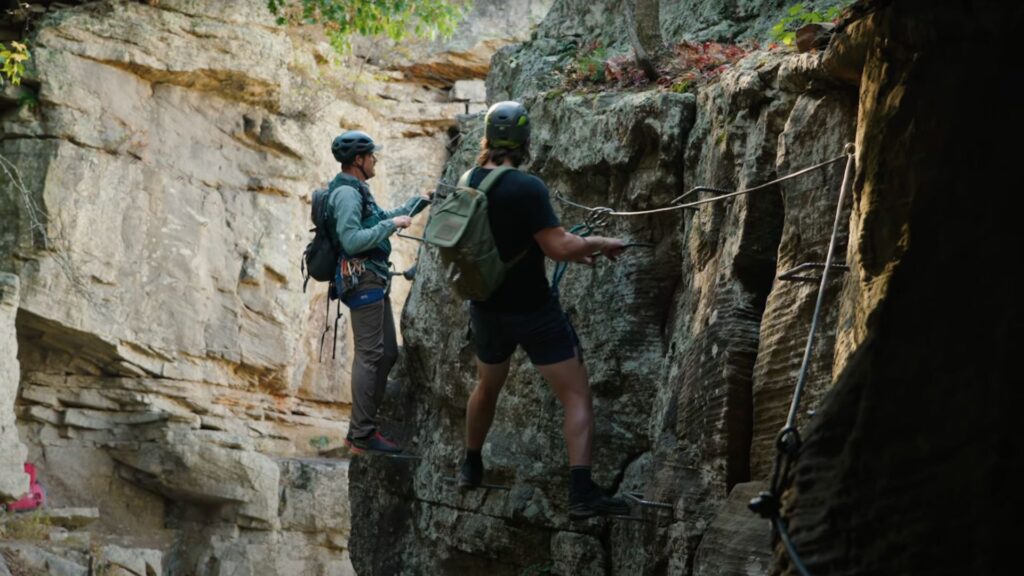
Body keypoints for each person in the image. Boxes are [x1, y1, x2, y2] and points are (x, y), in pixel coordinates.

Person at [458, 101, 631, 519]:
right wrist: (600, 242)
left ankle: (470, 465)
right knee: (575, 395)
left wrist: (576, 245)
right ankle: (581, 492)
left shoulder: (470, 180)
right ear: (525, 140)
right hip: (533, 311)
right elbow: (557, 246)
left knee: (487, 387)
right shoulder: (527, 187)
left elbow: (535, 237)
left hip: (486, 308)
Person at [329, 130, 430, 454]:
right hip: (363, 280)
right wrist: (392, 226)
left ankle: (364, 425)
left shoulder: (358, 190)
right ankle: (361, 433)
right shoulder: (346, 194)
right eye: (371, 155)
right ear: (358, 160)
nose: (375, 160)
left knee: (387, 354)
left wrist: (420, 202)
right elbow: (352, 240)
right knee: (370, 354)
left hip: (374, 279)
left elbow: (382, 218)